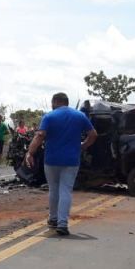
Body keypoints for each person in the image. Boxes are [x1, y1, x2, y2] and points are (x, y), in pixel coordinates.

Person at [25, 92, 98, 236]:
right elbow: (93, 134)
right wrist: (83, 146)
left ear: (56, 102)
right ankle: (62, 224)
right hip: (71, 160)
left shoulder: (49, 116)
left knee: (54, 189)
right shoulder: (79, 116)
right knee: (66, 190)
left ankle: (53, 219)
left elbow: (39, 136)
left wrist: (30, 153)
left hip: (51, 160)